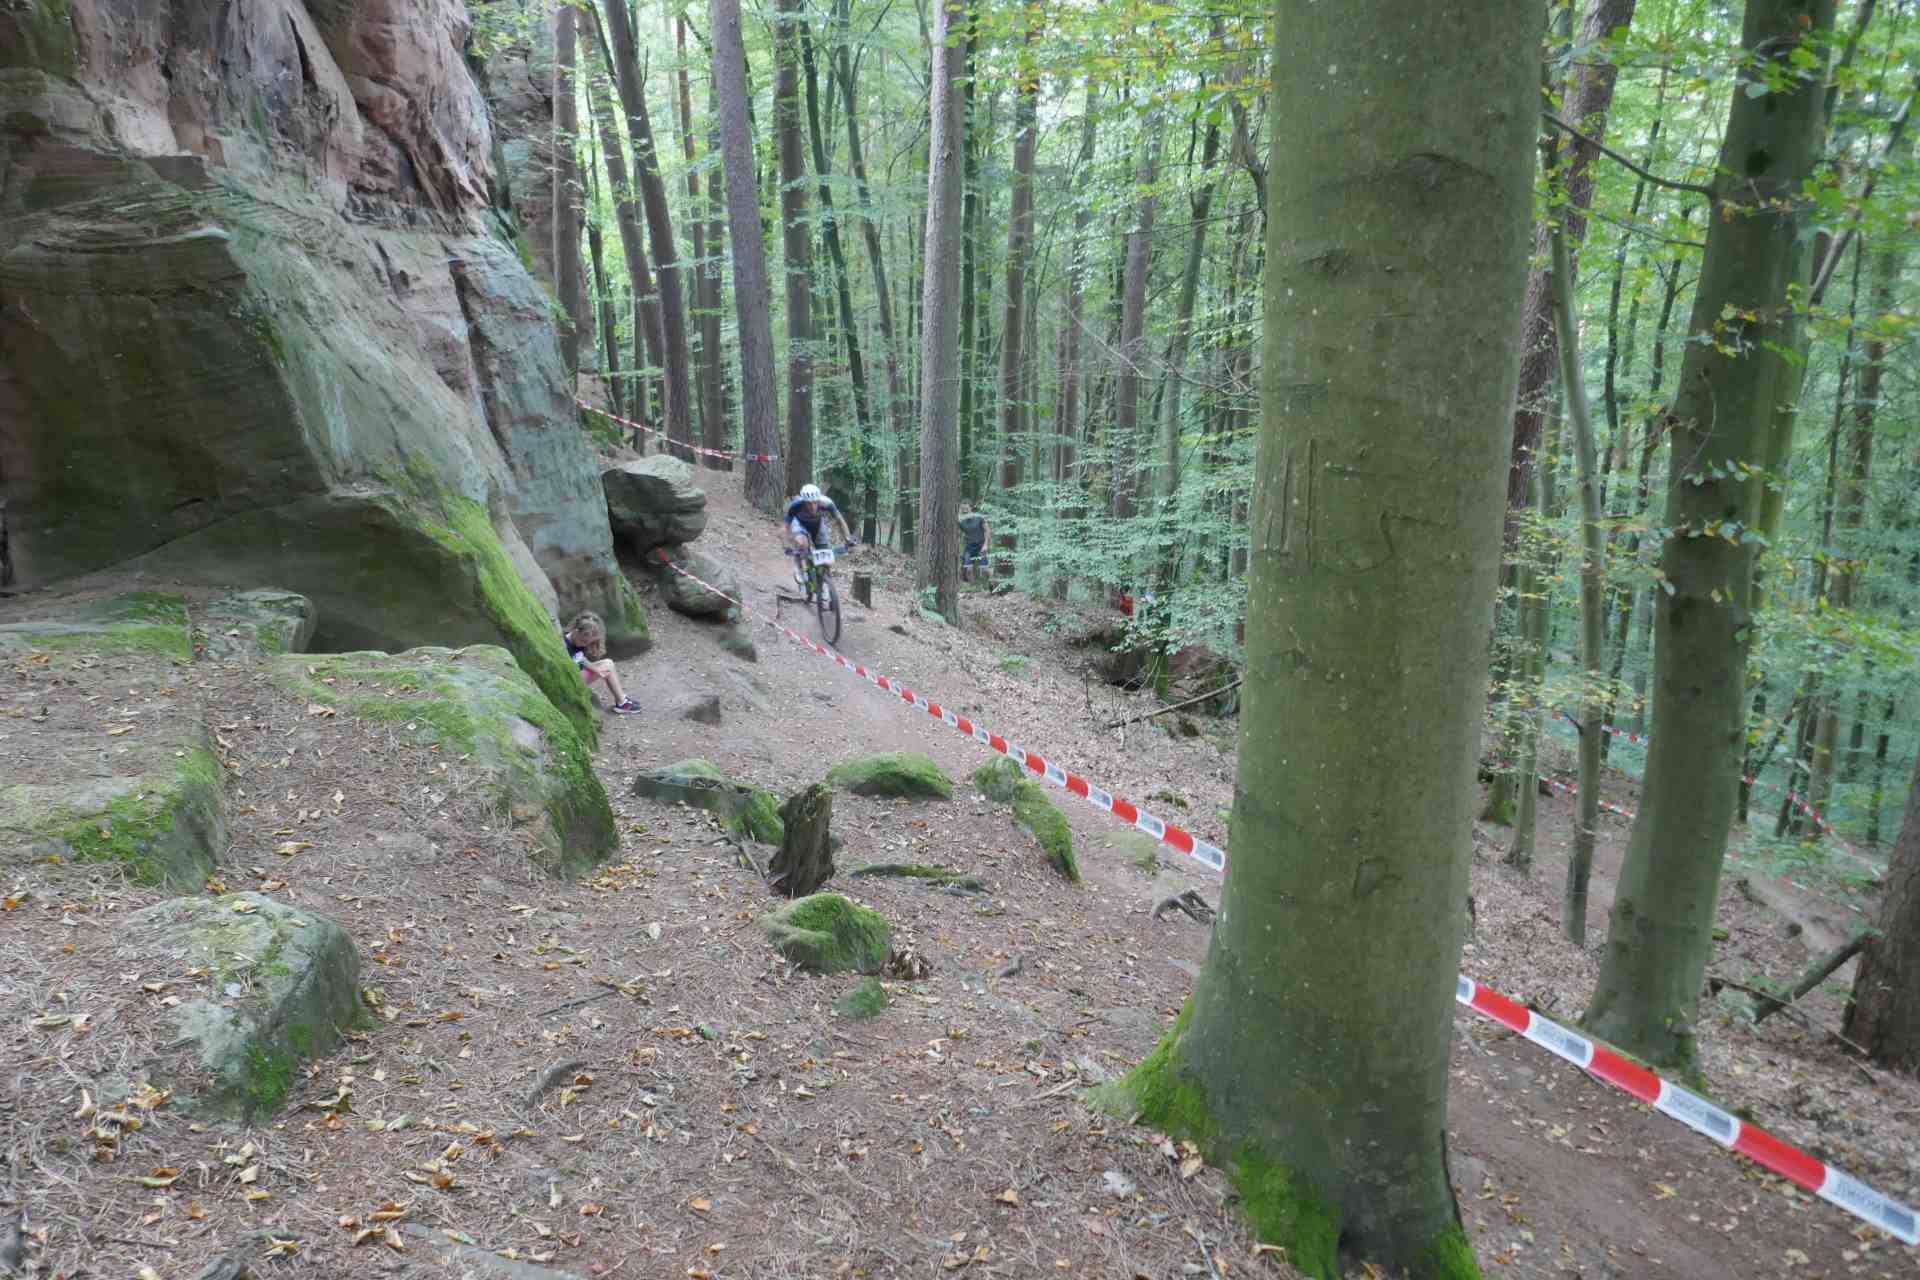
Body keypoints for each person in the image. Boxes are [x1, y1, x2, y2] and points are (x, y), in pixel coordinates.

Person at [784, 483, 855, 595]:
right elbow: (786, 527)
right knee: (803, 544)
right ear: (804, 502)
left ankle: (823, 581)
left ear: (819, 499)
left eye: (815, 502)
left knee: (825, 555)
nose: (812, 506)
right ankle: (799, 564)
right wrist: (788, 543)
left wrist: (848, 538)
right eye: (809, 503)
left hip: (817, 525)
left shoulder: (827, 503)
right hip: (800, 524)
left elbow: (840, 520)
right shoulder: (796, 505)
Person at [562, 611, 639, 714]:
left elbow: (581, 659)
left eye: (588, 643)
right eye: (584, 641)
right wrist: (595, 671)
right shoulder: (564, 644)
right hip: (571, 680)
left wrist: (596, 670)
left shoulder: (577, 641)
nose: (585, 645)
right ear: (576, 632)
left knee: (608, 662)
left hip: (578, 674)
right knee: (607, 665)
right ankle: (622, 702)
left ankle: (622, 700)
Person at [957, 501, 989, 582]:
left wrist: (985, 545)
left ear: (971, 508)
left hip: (980, 546)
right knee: (968, 570)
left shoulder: (979, 517)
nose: (965, 510)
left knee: (984, 570)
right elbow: (958, 534)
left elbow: (987, 530)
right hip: (969, 547)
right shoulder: (960, 521)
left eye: (966, 508)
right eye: (962, 509)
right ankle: (973, 586)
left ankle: (994, 585)